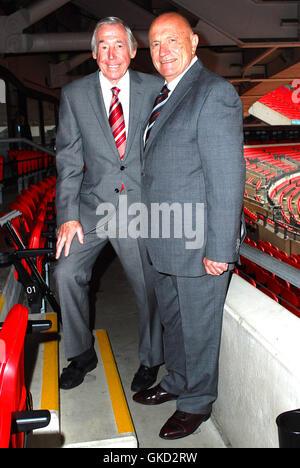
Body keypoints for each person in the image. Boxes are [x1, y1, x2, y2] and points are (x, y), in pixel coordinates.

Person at [133, 12, 246, 440]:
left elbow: (226, 176)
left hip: (200, 242)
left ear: (194, 42)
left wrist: (220, 247)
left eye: (172, 40)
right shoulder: (165, 95)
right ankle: (177, 380)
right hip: (164, 236)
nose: (163, 50)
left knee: (199, 326)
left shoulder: (213, 93)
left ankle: (196, 402)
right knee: (176, 322)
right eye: (155, 43)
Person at [54, 17, 164, 391]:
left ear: (133, 51)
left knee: (147, 286)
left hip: (137, 206)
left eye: (119, 44)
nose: (111, 53)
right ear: (93, 52)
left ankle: (151, 359)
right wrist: (67, 216)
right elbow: (68, 160)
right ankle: (81, 354)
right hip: (93, 205)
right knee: (66, 273)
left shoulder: (156, 88)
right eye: (103, 45)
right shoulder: (74, 94)